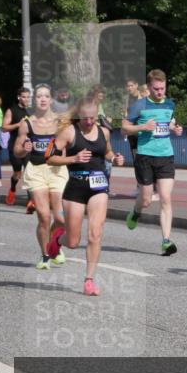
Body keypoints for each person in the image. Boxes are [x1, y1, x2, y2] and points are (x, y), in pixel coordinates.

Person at [46, 96, 125, 296]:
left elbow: (106, 152)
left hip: (99, 185)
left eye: (92, 118)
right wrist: (73, 158)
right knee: (73, 241)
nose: (89, 122)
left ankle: (89, 280)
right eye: (85, 119)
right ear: (77, 116)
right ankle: (57, 240)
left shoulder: (104, 132)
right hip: (76, 187)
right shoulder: (68, 132)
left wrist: (115, 158)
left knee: (95, 234)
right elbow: (50, 158)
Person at [123, 70, 183, 255]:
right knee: (147, 200)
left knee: (166, 198)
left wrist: (175, 129)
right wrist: (142, 127)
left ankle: (166, 241)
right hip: (145, 156)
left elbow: (168, 122)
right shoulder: (138, 106)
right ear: (148, 88)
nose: (160, 92)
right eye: (156, 89)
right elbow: (124, 129)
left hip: (166, 155)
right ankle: (136, 212)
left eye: (162, 88)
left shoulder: (170, 104)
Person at [13, 84, 68, 269]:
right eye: (39, 96)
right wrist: (24, 149)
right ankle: (45, 255)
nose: (43, 99)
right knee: (44, 216)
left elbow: (71, 143)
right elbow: (17, 151)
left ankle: (54, 244)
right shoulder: (26, 123)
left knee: (60, 218)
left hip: (57, 171)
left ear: (51, 99)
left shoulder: (61, 122)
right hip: (36, 171)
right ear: (34, 100)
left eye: (46, 96)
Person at [2, 87, 31, 205]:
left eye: (28, 97)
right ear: (19, 97)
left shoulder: (31, 111)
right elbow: (4, 127)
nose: (26, 99)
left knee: (30, 172)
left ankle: (31, 201)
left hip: (28, 146)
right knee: (17, 174)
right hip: (15, 147)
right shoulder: (11, 110)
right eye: (24, 97)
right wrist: (18, 124)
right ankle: (12, 190)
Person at [123, 79, 141, 163]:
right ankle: (139, 175)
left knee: (143, 156)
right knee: (135, 158)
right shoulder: (126, 99)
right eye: (128, 86)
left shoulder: (144, 96)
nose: (129, 88)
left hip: (142, 130)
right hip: (131, 132)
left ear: (136, 85)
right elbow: (124, 114)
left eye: (131, 85)